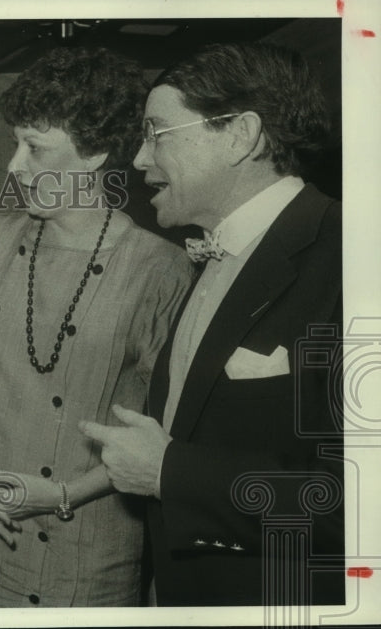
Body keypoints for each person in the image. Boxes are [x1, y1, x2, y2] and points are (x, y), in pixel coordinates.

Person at [0, 47, 195, 607]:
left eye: (35, 147)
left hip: (86, 546)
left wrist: (61, 493)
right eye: (15, 142)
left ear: (95, 153)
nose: (14, 166)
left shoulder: (160, 269)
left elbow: (162, 431)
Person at [81, 42, 344, 606]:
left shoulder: (350, 257)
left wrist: (170, 473)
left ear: (241, 135)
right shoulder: (216, 251)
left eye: (157, 133)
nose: (138, 160)